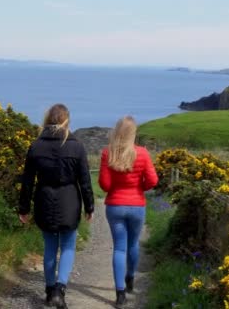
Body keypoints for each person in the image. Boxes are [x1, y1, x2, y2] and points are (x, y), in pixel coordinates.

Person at [19, 103, 95, 309]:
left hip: (44, 200)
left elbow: (27, 181)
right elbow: (85, 181)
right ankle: (60, 291)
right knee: (68, 245)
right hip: (70, 200)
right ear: (66, 121)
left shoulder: (36, 146)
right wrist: (90, 207)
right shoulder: (76, 146)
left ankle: (50, 290)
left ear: (47, 120)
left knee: (50, 247)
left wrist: (23, 209)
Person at [98, 116, 158, 308]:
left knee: (119, 248)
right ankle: (130, 277)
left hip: (115, 206)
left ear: (117, 131)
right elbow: (153, 181)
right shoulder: (142, 153)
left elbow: (105, 185)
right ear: (133, 133)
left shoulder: (108, 153)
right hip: (137, 206)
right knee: (133, 245)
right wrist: (140, 187)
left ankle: (120, 293)